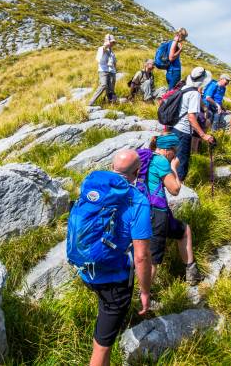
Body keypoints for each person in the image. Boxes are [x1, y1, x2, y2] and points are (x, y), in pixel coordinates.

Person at [79, 149, 152, 366]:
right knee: (102, 346)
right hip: (114, 278)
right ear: (138, 172)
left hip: (87, 268)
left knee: (105, 332)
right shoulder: (138, 200)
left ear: (113, 168)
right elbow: (141, 256)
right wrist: (145, 291)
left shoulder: (94, 186)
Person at [145, 134, 200, 285]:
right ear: (167, 150)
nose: (175, 155)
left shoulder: (146, 157)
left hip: (142, 210)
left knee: (183, 230)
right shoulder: (161, 161)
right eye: (174, 151)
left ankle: (192, 272)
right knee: (153, 260)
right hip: (156, 214)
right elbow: (175, 189)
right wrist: (174, 168)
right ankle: (143, 300)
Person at [172, 67, 215, 180]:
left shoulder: (184, 88)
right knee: (182, 162)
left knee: (175, 159)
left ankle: (171, 183)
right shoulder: (194, 94)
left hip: (175, 128)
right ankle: (179, 189)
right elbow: (191, 117)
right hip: (184, 131)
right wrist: (203, 135)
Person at [88, 34, 118, 106]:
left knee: (111, 88)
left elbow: (114, 62)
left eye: (113, 42)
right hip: (103, 70)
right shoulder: (101, 48)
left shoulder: (112, 52)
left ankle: (111, 103)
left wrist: (115, 71)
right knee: (103, 85)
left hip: (112, 71)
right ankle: (91, 102)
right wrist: (106, 45)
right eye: (111, 42)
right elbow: (99, 56)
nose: (112, 44)